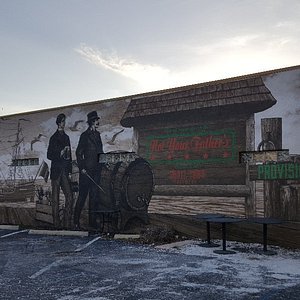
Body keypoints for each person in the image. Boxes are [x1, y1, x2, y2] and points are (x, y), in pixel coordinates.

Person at [73, 110, 104, 230]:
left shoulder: (98, 135)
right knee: (82, 196)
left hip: (96, 171)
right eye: (96, 120)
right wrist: (82, 168)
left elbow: (101, 152)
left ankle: (92, 222)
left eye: (98, 120)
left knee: (94, 197)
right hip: (86, 172)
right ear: (91, 122)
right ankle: (75, 221)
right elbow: (78, 153)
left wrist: (103, 163)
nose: (98, 122)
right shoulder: (84, 136)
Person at [47, 113, 73, 229]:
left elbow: (70, 156)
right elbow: (49, 155)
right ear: (58, 123)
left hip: (65, 171)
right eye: (62, 121)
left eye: (64, 121)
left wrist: (70, 171)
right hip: (56, 172)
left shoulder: (67, 137)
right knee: (55, 199)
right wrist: (60, 153)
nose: (64, 123)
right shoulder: (53, 138)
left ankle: (67, 223)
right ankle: (56, 225)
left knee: (69, 196)